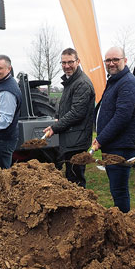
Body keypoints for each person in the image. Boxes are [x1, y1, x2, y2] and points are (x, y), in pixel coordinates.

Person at [91, 47, 135, 212]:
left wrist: (100, 139)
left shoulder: (127, 83)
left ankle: (124, 224)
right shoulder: (116, 81)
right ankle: (121, 221)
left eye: (115, 60)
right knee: (117, 189)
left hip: (121, 147)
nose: (111, 63)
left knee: (119, 190)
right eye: (108, 60)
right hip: (115, 145)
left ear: (125, 61)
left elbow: (122, 117)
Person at [43, 48, 96, 187]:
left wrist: (56, 127)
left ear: (78, 61)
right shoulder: (71, 81)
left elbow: (77, 113)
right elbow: (67, 107)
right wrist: (57, 118)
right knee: (71, 177)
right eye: (63, 63)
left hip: (77, 141)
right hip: (71, 137)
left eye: (70, 62)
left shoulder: (81, 83)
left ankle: (81, 206)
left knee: (76, 179)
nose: (66, 66)